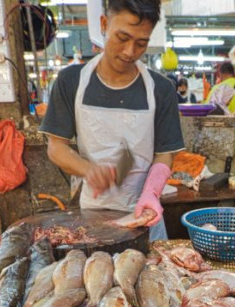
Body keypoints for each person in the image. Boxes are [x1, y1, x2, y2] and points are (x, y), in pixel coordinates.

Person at [40, 0, 184, 241]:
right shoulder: (71, 81)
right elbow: (56, 148)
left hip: (144, 215)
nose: (130, 52)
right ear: (104, 24)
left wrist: (151, 193)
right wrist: (89, 170)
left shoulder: (161, 89)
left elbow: (166, 153)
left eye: (141, 43)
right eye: (122, 38)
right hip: (92, 218)